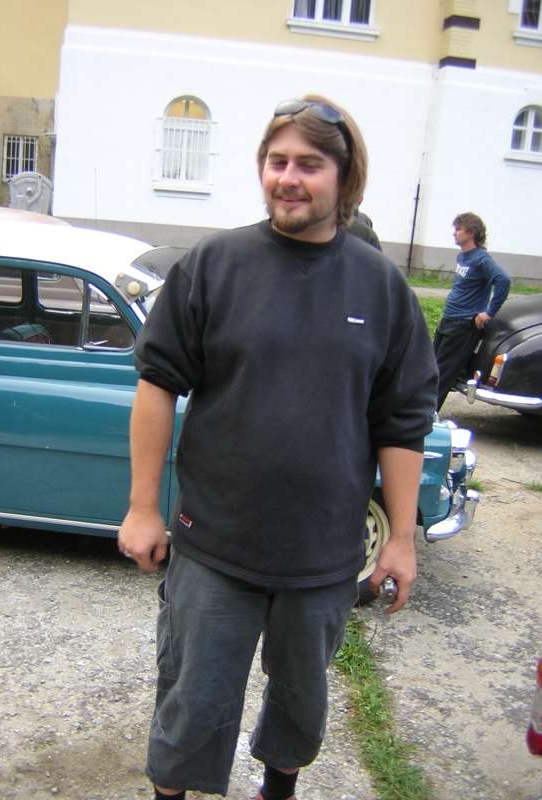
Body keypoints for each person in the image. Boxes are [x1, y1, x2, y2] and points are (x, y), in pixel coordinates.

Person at [118, 94, 438, 800]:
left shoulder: (381, 287)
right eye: (276, 161)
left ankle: (278, 790)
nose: (288, 178)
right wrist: (142, 508)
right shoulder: (215, 264)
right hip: (215, 545)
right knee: (192, 705)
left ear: (345, 178)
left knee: (300, 703)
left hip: (323, 556)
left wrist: (401, 539)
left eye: (309, 164)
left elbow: (403, 421)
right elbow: (157, 383)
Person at [434, 212, 511, 411]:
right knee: (432, 368)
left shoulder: (481, 259)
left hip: (464, 324)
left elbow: (503, 280)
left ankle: (427, 417)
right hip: (448, 319)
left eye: (458, 229)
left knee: (442, 374)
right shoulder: (462, 256)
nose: (454, 233)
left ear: (471, 233)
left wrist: (488, 313)